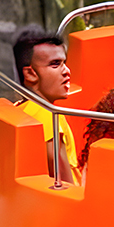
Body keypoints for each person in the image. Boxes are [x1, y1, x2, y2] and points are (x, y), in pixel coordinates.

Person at [13, 28, 78, 182]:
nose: (67, 71)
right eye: (55, 64)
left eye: (64, 63)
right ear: (30, 74)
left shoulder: (24, 107)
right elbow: (64, 183)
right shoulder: (48, 116)